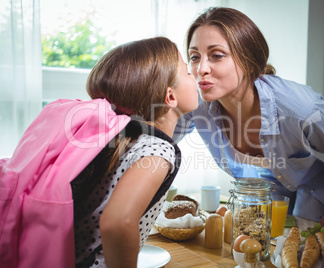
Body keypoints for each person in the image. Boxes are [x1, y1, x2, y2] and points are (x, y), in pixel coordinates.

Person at [0, 37, 198, 268]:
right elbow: (117, 223)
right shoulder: (159, 150)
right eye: (187, 72)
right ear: (170, 97)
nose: (195, 75)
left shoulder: (117, 139)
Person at [174, 7, 324, 222]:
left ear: (248, 59)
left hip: (314, 191)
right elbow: (162, 137)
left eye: (216, 55)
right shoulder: (196, 103)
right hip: (260, 192)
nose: (201, 69)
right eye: (195, 57)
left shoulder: (301, 108)